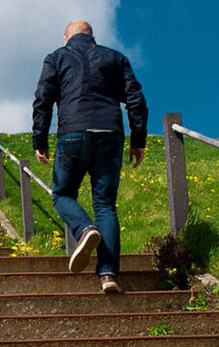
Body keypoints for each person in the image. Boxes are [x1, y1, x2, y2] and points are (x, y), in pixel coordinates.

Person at [32, 20, 148, 293]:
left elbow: (43, 100)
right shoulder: (115, 58)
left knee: (62, 194)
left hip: (73, 133)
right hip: (110, 133)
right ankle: (108, 275)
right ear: (91, 36)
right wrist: (138, 140)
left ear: (66, 37)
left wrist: (40, 140)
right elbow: (135, 99)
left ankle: (84, 229)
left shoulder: (57, 57)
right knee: (105, 205)